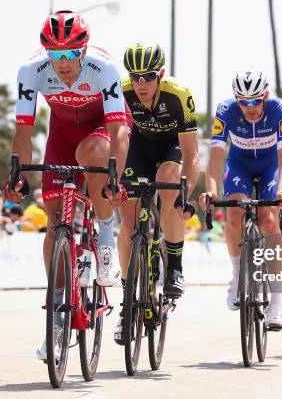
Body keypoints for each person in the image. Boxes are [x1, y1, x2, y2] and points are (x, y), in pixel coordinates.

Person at [5, 10, 131, 361]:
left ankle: (105, 235)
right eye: (54, 54)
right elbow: (24, 130)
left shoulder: (103, 68)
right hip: (62, 134)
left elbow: (119, 130)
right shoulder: (31, 72)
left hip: (102, 131)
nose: (62, 62)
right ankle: (58, 312)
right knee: (55, 218)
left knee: (92, 153)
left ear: (83, 49)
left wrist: (115, 179)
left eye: (69, 54)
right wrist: (17, 176)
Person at [115, 42, 199, 344]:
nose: (141, 84)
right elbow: (115, 138)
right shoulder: (121, 90)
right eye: (135, 77)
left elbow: (191, 154)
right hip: (139, 148)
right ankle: (127, 301)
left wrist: (186, 191)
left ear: (160, 74)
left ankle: (174, 265)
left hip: (170, 148)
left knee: (170, 186)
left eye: (148, 76)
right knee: (127, 225)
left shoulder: (179, 94)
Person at [199, 69, 282, 331]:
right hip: (239, 164)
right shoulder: (225, 110)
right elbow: (216, 155)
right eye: (244, 101)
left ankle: (276, 299)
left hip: (270, 166)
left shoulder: (280, 109)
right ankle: (237, 273)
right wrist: (210, 189)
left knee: (269, 220)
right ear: (236, 99)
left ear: (265, 95)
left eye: (255, 101)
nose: (250, 107)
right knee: (234, 214)